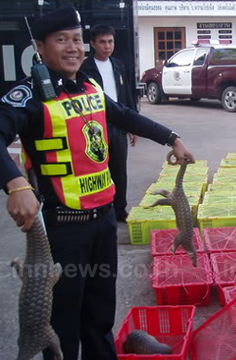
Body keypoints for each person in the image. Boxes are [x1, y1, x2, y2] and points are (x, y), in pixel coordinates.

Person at [0, 6, 194, 360]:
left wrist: (171, 137)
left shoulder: (88, 86)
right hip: (63, 229)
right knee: (63, 324)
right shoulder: (27, 96)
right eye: (61, 40)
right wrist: (16, 184)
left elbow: (123, 115)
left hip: (103, 222)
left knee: (100, 314)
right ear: (39, 47)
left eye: (76, 39)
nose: (73, 48)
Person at [81, 24, 137, 222]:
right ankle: (100, 209)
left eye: (110, 42)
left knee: (119, 169)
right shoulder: (83, 69)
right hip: (95, 127)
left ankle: (120, 209)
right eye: (102, 42)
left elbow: (128, 96)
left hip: (119, 125)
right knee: (97, 169)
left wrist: (133, 125)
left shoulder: (118, 66)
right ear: (93, 44)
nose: (107, 46)